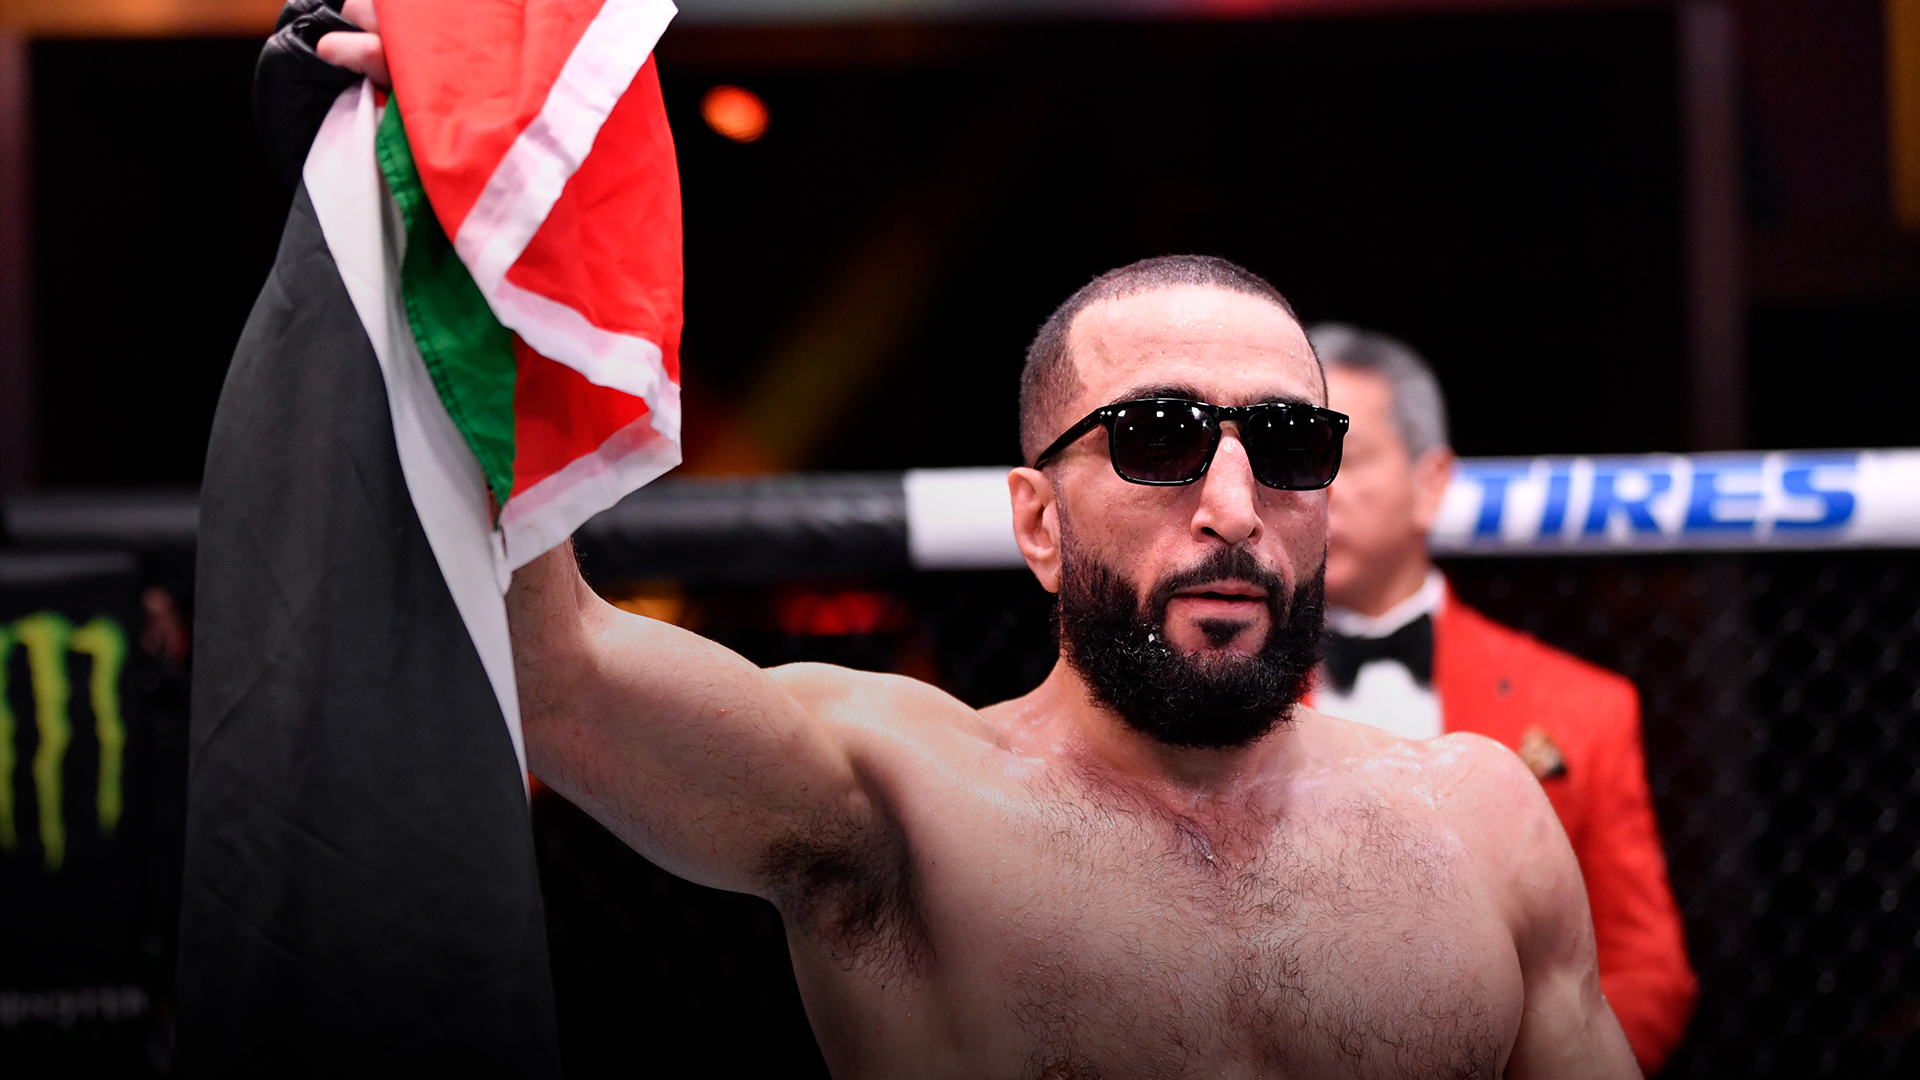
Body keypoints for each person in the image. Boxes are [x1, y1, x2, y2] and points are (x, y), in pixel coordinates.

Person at [320, 21, 1638, 1077]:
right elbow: (552, 663)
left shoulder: (1482, 823)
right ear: (1036, 520)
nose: (1235, 501)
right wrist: (445, 207)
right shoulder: (896, 799)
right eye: (1161, 436)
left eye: (1287, 443)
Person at [1309, 323, 1698, 1072]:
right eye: (1294, 461)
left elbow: (1648, 970)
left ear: (1431, 484)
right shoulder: (1209, 690)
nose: (1317, 490)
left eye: (1346, 460)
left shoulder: (1585, 706)